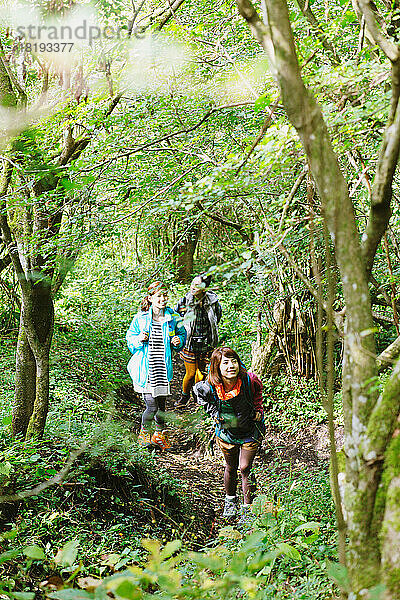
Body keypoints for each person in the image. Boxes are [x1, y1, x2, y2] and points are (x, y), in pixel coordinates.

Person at [193, 346, 264, 523]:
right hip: (226, 433)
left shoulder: (249, 380)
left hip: (250, 429)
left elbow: (258, 394)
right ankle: (230, 501)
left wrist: (258, 410)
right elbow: (201, 399)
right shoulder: (210, 386)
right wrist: (214, 414)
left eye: (234, 361)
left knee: (245, 467)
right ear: (217, 366)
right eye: (225, 363)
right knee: (231, 467)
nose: (231, 366)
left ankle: (248, 508)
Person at [126, 281, 186, 450]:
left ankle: (159, 436)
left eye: (165, 295)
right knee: (151, 406)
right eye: (159, 296)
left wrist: (178, 341)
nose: (163, 299)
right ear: (150, 298)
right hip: (146, 369)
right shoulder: (141, 318)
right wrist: (139, 339)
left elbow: (182, 333)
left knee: (161, 405)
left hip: (162, 367)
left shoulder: (173, 317)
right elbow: (130, 338)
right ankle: (143, 435)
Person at [174, 274, 222, 408]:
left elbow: (217, 317)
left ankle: (197, 396)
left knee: (201, 373)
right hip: (189, 343)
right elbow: (175, 317)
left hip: (206, 343)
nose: (193, 287)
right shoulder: (184, 301)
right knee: (190, 374)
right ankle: (184, 397)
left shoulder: (212, 302)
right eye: (192, 283)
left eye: (197, 285)